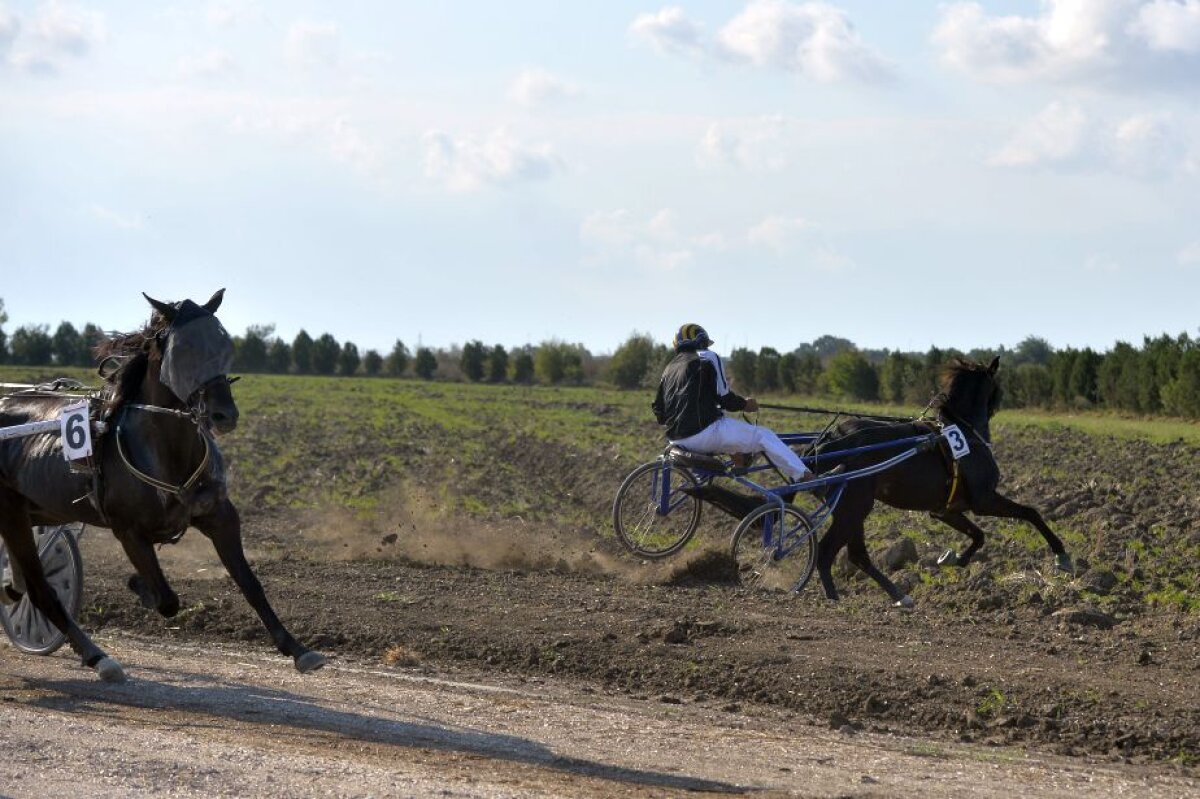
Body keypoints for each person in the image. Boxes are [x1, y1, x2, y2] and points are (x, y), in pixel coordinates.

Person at [652, 323, 811, 482]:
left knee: (724, 424)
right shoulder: (708, 357)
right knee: (764, 435)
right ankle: (804, 476)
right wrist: (746, 404)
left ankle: (738, 460)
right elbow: (726, 398)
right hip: (703, 435)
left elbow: (659, 411)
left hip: (676, 439)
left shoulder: (669, 368)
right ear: (701, 341)